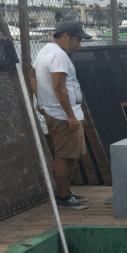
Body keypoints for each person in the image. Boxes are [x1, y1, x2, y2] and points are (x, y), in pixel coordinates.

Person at [31, 20, 92, 209]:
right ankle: (64, 197)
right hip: (63, 114)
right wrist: (70, 116)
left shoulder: (45, 50)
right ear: (66, 36)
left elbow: (32, 74)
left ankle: (66, 193)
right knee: (65, 156)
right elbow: (59, 87)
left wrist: (40, 99)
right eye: (77, 39)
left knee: (71, 155)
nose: (79, 44)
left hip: (56, 110)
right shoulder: (59, 56)